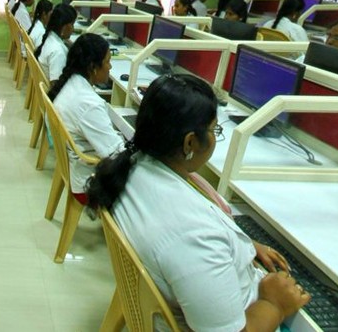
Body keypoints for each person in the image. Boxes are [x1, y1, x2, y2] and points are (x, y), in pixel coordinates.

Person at [85, 74, 307, 331]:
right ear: (190, 142)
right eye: (214, 130)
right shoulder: (191, 234)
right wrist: (274, 304)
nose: (215, 136)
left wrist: (241, 244)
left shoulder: (134, 167)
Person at [49, 33, 124, 204]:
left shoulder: (71, 83)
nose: (110, 67)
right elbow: (115, 155)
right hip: (88, 183)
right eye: (107, 61)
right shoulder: (88, 104)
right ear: (92, 67)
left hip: (77, 169)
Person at [35, 3, 77, 84]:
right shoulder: (58, 52)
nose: (73, 29)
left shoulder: (50, 37)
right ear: (64, 27)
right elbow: (55, 85)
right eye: (72, 24)